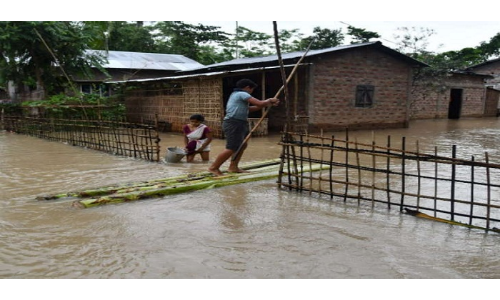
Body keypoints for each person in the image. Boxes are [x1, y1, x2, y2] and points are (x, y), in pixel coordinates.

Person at [208, 78, 280, 176]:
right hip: (233, 123)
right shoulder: (242, 94)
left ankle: (233, 167)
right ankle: (213, 168)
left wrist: (268, 104)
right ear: (247, 88)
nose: (251, 92)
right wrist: (269, 100)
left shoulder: (236, 95)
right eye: (252, 89)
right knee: (232, 147)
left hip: (240, 123)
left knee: (242, 145)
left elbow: (250, 108)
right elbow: (259, 103)